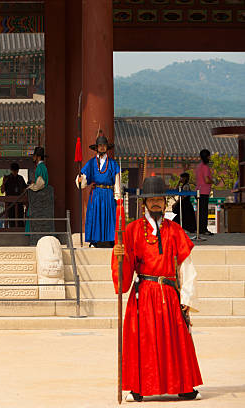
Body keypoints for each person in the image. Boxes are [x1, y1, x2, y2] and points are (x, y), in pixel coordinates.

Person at [113, 176, 202, 402]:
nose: (156, 204)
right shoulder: (132, 230)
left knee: (176, 341)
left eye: (160, 200)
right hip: (144, 293)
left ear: (165, 203)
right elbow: (125, 270)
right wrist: (119, 257)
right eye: (151, 200)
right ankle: (139, 387)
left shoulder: (174, 230)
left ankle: (182, 385)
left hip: (169, 293)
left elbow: (186, 266)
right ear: (144, 203)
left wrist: (187, 297)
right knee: (143, 341)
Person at [75, 134, 121, 247]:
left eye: (104, 146)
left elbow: (117, 180)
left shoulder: (113, 164)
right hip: (96, 194)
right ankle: (94, 241)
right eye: (100, 145)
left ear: (107, 148)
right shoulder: (91, 163)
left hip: (108, 194)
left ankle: (110, 240)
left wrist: (118, 195)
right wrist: (80, 179)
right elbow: (84, 177)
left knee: (109, 216)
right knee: (95, 216)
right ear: (96, 147)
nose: (102, 148)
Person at [195, 149, 214, 235]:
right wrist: (213, 181)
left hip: (198, 190)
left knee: (200, 211)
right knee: (204, 211)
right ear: (207, 157)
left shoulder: (199, 166)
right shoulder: (206, 167)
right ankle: (203, 229)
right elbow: (206, 180)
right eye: (209, 156)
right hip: (204, 191)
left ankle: (200, 228)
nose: (210, 158)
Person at [2, 162, 27, 227]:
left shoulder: (20, 178)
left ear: (18, 170)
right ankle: (12, 231)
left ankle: (20, 231)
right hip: (10, 203)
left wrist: (25, 199)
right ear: (11, 170)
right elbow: (2, 191)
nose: (15, 172)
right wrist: (3, 183)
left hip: (19, 202)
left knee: (20, 218)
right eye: (14, 170)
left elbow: (24, 189)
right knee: (11, 219)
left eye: (16, 170)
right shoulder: (7, 178)